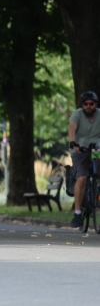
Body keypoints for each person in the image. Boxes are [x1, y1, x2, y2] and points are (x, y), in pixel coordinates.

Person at [68, 91, 100, 228]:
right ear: (82, 105)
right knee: (81, 178)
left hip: (96, 149)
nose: (88, 106)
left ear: (96, 104)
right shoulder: (77, 114)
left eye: (91, 104)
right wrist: (73, 142)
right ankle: (77, 213)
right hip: (79, 150)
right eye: (86, 104)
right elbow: (72, 128)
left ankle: (97, 188)